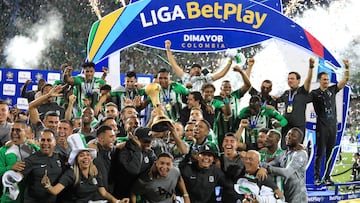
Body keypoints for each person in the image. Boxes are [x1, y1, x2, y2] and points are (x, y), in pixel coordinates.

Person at [40, 133, 128, 203]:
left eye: (87, 155)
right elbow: (55, 191)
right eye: (81, 155)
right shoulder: (71, 174)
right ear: (76, 159)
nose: (86, 157)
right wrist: (47, 185)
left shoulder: (94, 171)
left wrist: (117, 201)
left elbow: (103, 192)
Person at [310, 59, 350, 185]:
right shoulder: (314, 93)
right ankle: (317, 177)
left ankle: (327, 177)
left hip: (333, 126)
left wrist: (347, 68)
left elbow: (345, 81)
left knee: (330, 152)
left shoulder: (332, 90)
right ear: (320, 80)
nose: (326, 81)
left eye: (327, 79)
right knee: (320, 152)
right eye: (324, 79)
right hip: (321, 126)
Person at [19, 128, 67, 203]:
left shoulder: (61, 158)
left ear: (55, 142)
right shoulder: (31, 160)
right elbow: (19, 175)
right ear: (39, 141)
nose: (45, 143)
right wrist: (12, 177)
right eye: (43, 140)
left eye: (49, 140)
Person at [165, 40, 232, 92]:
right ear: (190, 71)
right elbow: (174, 65)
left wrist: (230, 61)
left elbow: (221, 74)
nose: (196, 70)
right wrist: (168, 49)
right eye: (194, 68)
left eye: (198, 69)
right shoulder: (186, 77)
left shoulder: (205, 79)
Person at [111, 126, 157, 199]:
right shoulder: (125, 151)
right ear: (136, 139)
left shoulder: (149, 152)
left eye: (151, 141)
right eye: (146, 141)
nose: (149, 144)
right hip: (122, 194)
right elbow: (134, 170)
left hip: (140, 192)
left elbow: (156, 170)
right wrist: (137, 148)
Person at [278, 58, 315, 149]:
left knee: (296, 149)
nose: (290, 80)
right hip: (286, 127)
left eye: (292, 79)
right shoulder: (286, 93)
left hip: (298, 127)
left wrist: (311, 67)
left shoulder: (302, 91)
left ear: (298, 81)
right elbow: (278, 103)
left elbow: (308, 80)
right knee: (284, 149)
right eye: (289, 79)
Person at [265, 127, 308, 203]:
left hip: (299, 197)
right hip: (287, 194)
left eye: (293, 136)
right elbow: (271, 164)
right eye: (288, 134)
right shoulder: (284, 154)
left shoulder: (301, 154)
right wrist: (262, 166)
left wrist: (267, 168)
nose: (289, 137)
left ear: (299, 140)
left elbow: (286, 173)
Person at [0, 120, 39, 203]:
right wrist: (10, 167)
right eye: (12, 130)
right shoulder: (3, 150)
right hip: (10, 199)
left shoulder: (32, 149)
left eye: (18, 130)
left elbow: (43, 159)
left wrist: (34, 145)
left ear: (26, 133)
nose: (14, 133)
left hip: (30, 197)